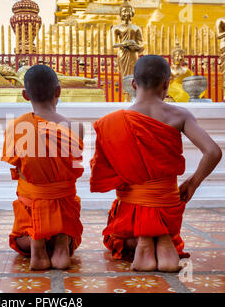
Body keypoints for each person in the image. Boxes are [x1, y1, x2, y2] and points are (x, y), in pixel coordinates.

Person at [90, 55, 222, 272]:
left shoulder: (111, 122)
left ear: (133, 84)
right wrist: (192, 182)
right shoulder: (180, 114)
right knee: (160, 216)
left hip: (131, 211)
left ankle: (144, 242)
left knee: (116, 238)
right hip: (167, 207)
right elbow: (213, 152)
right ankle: (161, 239)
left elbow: (103, 172)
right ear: (167, 83)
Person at [2, 65, 84, 270]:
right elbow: (72, 171)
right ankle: (61, 243)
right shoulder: (75, 127)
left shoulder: (16, 127)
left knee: (20, 235)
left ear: (24, 95)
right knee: (62, 198)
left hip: (32, 212)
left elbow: (19, 172)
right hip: (63, 214)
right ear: (58, 91)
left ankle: (36, 244)